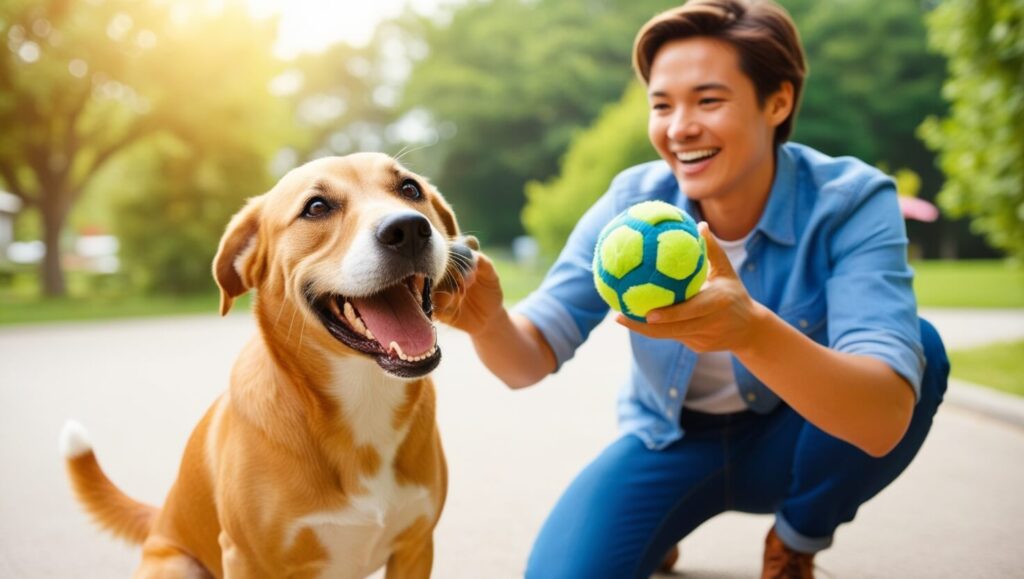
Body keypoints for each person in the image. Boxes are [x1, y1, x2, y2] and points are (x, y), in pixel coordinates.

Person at [434, 0, 949, 577]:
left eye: (708, 100)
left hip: (797, 440)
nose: (679, 128)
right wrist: (488, 321)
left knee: (919, 351)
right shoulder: (632, 205)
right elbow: (526, 359)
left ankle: (797, 538)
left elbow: (882, 420)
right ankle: (662, 524)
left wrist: (751, 331)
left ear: (778, 101)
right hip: (668, 444)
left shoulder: (852, 202)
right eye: (662, 105)